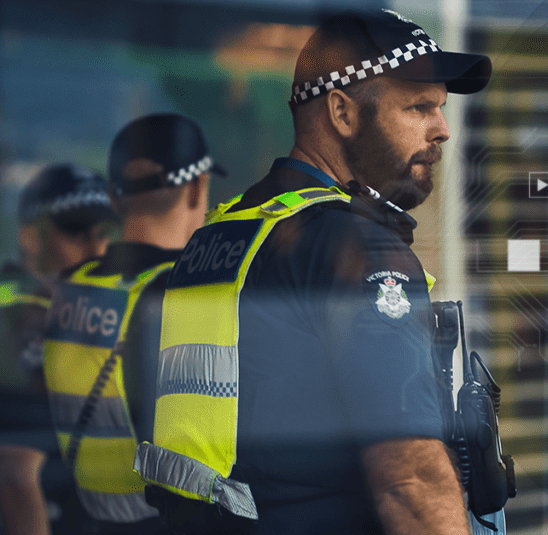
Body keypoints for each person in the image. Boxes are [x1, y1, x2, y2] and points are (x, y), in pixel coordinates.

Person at [134, 8, 491, 535]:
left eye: (440, 108)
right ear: (342, 112)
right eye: (419, 107)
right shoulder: (354, 245)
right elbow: (411, 482)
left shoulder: (222, 235)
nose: (442, 129)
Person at [41, 114, 224, 534]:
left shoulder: (73, 285)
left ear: (114, 198)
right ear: (198, 187)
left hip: (85, 514)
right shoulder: (182, 295)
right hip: (157, 520)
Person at [0, 163, 117, 535]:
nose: (96, 249)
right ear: (30, 239)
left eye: (105, 233)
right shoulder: (15, 316)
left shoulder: (113, 315)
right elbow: (16, 470)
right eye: (75, 231)